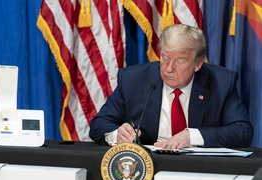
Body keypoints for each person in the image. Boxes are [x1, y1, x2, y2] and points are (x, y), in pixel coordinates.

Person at [89, 24, 253, 149]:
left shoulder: (221, 82)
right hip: (148, 168)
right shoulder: (134, 80)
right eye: (165, 57)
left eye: (180, 61)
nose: (168, 68)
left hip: (200, 171)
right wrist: (117, 135)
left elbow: (242, 131)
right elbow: (99, 124)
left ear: (198, 64)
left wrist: (192, 136)